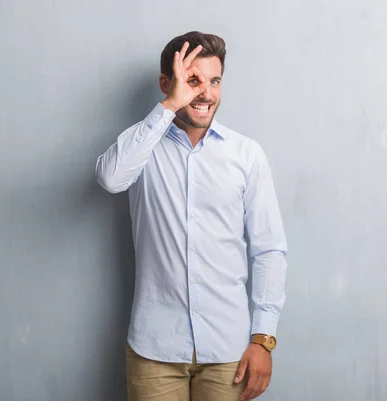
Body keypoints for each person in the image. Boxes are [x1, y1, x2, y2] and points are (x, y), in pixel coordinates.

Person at [95, 31, 288, 401]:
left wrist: (263, 339)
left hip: (229, 351)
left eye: (214, 81)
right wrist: (169, 106)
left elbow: (269, 250)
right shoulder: (143, 146)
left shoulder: (246, 155)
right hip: (155, 351)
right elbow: (109, 178)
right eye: (193, 80)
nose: (206, 93)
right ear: (167, 84)